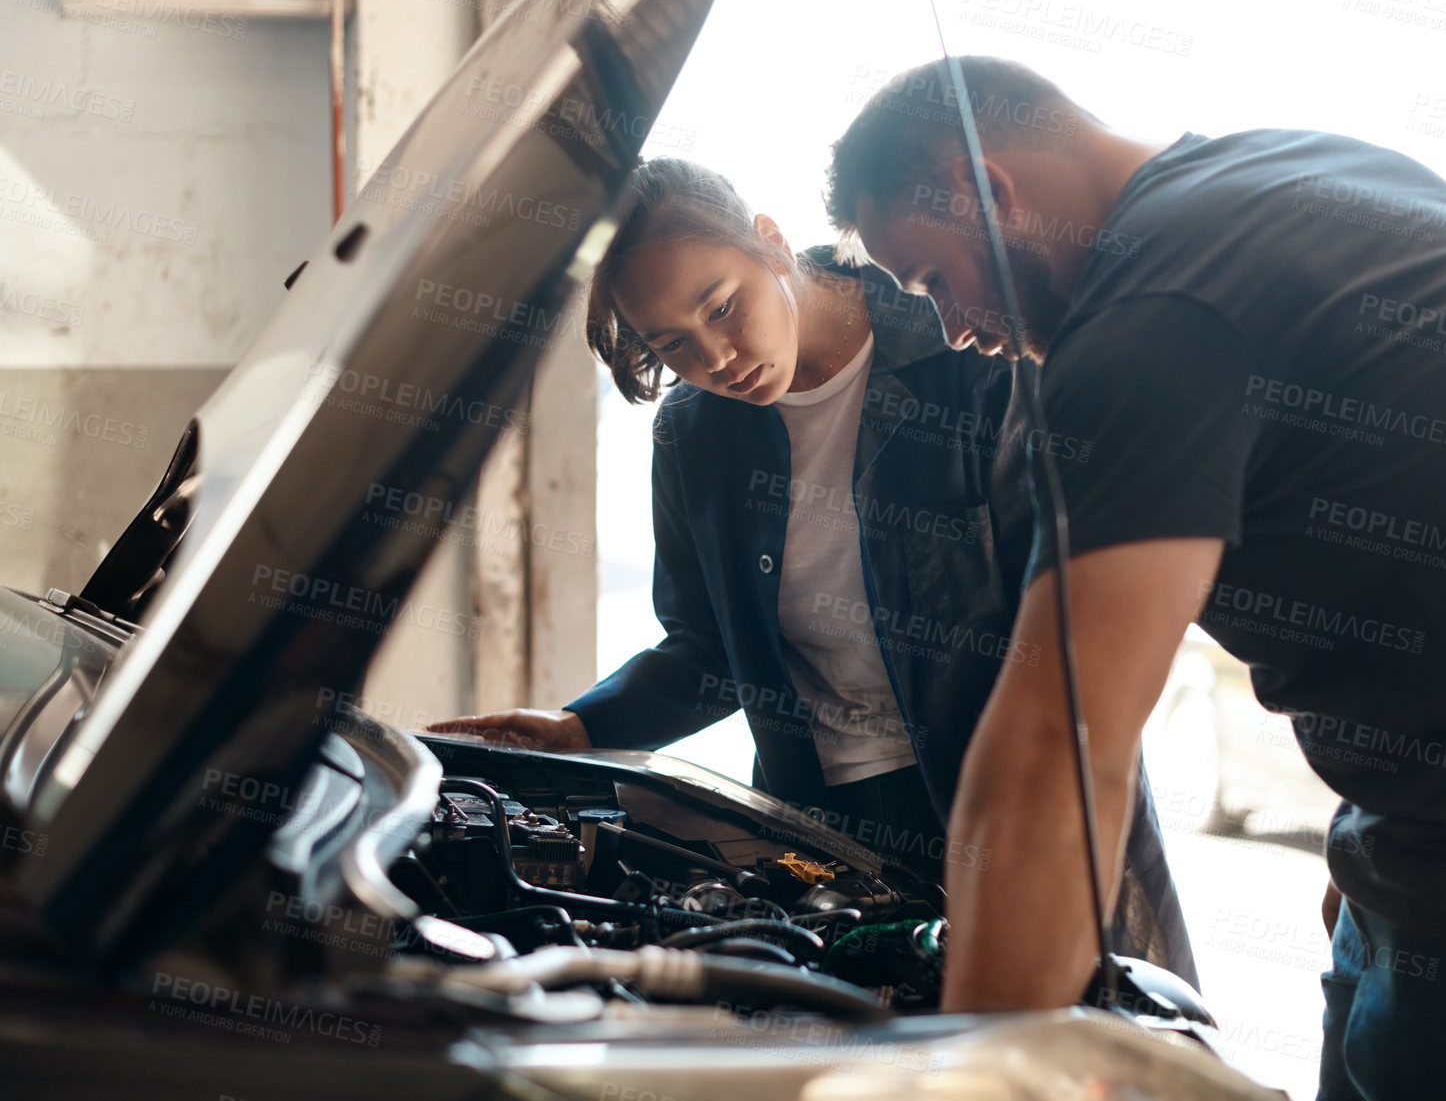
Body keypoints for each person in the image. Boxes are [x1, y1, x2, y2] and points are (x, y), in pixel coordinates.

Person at [823, 56, 1446, 1098]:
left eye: (934, 279)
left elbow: (1055, 746)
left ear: (985, 186)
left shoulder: (1152, 315)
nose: (951, 329)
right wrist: (1374, 841)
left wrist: (969, 1072)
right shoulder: (1291, 172)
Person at [429, 157, 1197, 984]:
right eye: (673, 345)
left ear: (770, 241)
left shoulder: (969, 355)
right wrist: (583, 728)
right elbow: (708, 651)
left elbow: (1071, 629)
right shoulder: (696, 437)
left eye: (723, 307)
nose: (717, 357)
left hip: (1014, 805)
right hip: (820, 831)